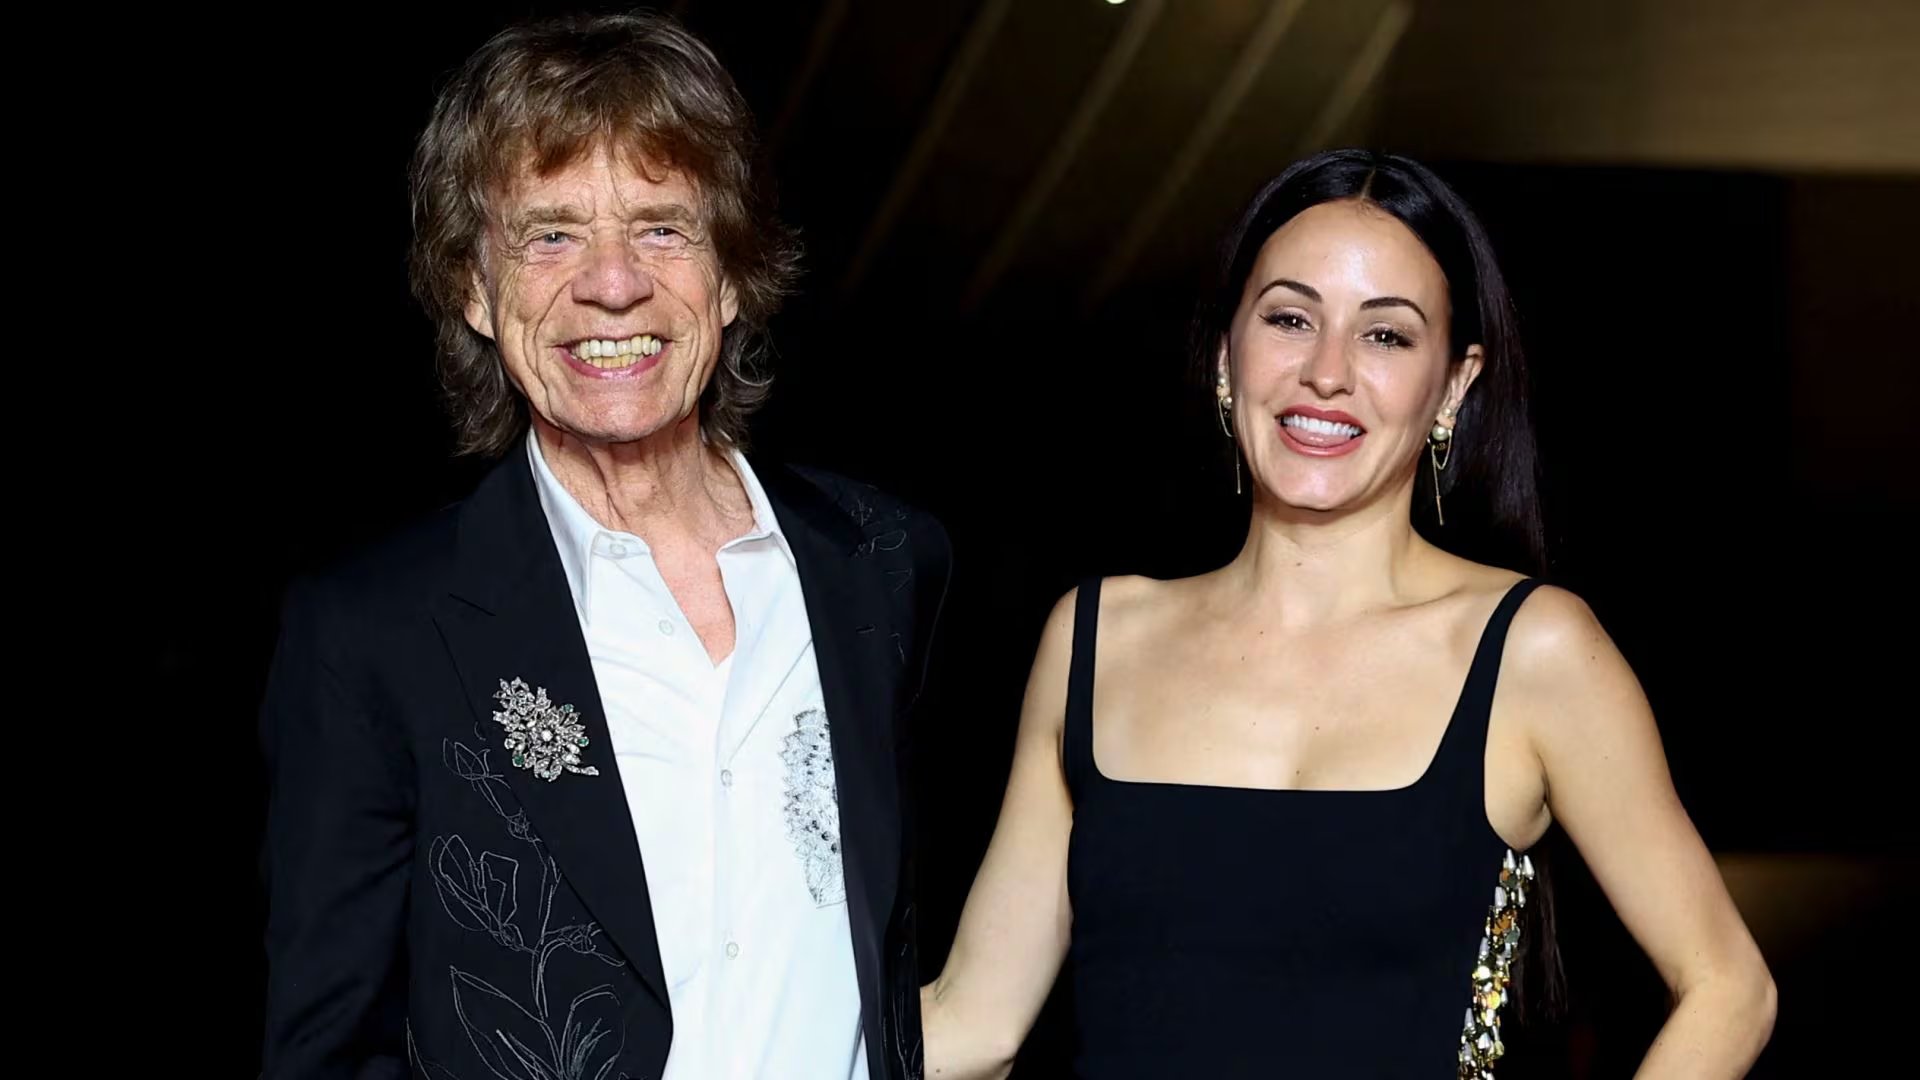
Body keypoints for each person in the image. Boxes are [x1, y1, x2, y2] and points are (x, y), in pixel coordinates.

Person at [921, 149, 1774, 1078]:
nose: (1326, 373)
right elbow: (976, 1025)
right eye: (1290, 319)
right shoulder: (1096, 639)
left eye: (1386, 336)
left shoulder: (1531, 651)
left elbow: (1727, 987)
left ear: (1454, 385)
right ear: (1227, 354)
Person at [259, 13, 948, 1080]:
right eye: (551, 235)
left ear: (732, 273)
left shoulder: (885, 566)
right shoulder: (373, 633)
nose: (613, 283)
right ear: (474, 287)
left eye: (663, 229)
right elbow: (328, 1053)